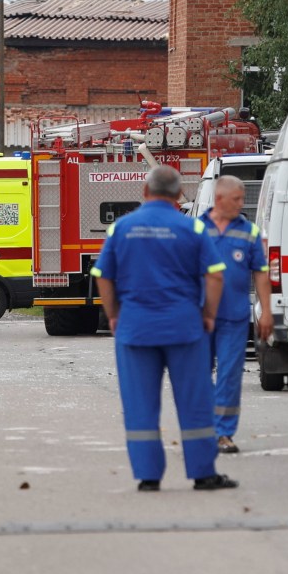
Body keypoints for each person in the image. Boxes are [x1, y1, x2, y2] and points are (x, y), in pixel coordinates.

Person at [91, 165, 237, 492]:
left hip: (136, 328)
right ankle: (203, 474)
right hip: (185, 327)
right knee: (195, 401)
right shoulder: (193, 229)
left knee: (140, 404)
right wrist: (209, 314)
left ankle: (148, 476)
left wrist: (114, 314)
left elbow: (104, 275)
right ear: (177, 196)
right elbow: (215, 274)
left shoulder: (120, 229)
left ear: (145, 192)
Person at [199, 175, 274, 454]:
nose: (242, 204)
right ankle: (204, 429)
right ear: (219, 199)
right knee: (198, 374)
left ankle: (224, 433)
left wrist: (266, 311)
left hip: (234, 317)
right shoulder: (196, 229)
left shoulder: (249, 231)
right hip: (199, 316)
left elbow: (261, 273)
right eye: (237, 199)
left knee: (230, 375)